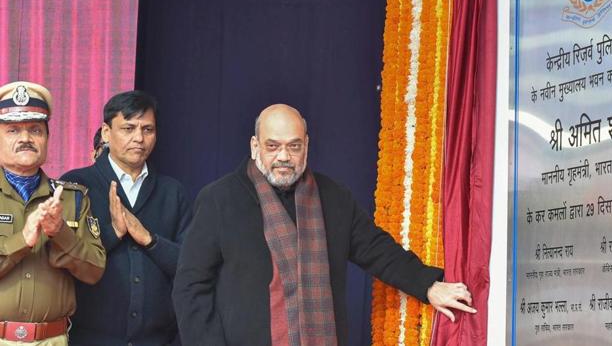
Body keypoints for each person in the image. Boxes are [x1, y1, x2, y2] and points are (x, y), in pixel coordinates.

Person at [172, 104, 477, 346]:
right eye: (273, 146)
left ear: (306, 145)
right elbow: (190, 287)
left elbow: (376, 249)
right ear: (255, 147)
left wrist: (428, 285)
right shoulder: (220, 199)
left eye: (293, 147)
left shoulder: (332, 197)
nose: (284, 157)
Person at [61, 91, 192, 345]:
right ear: (107, 133)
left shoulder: (172, 192)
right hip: (89, 339)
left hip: (156, 340)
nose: (139, 138)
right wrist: (113, 233)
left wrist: (150, 240)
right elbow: (66, 260)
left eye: (148, 129)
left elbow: (189, 265)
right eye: (128, 128)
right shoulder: (77, 185)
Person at [0, 81, 106, 345]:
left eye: (35, 130)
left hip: (52, 339)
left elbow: (94, 272)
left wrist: (60, 233)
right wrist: (21, 240)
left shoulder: (73, 197)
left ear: (47, 138)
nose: (25, 138)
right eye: (13, 130)